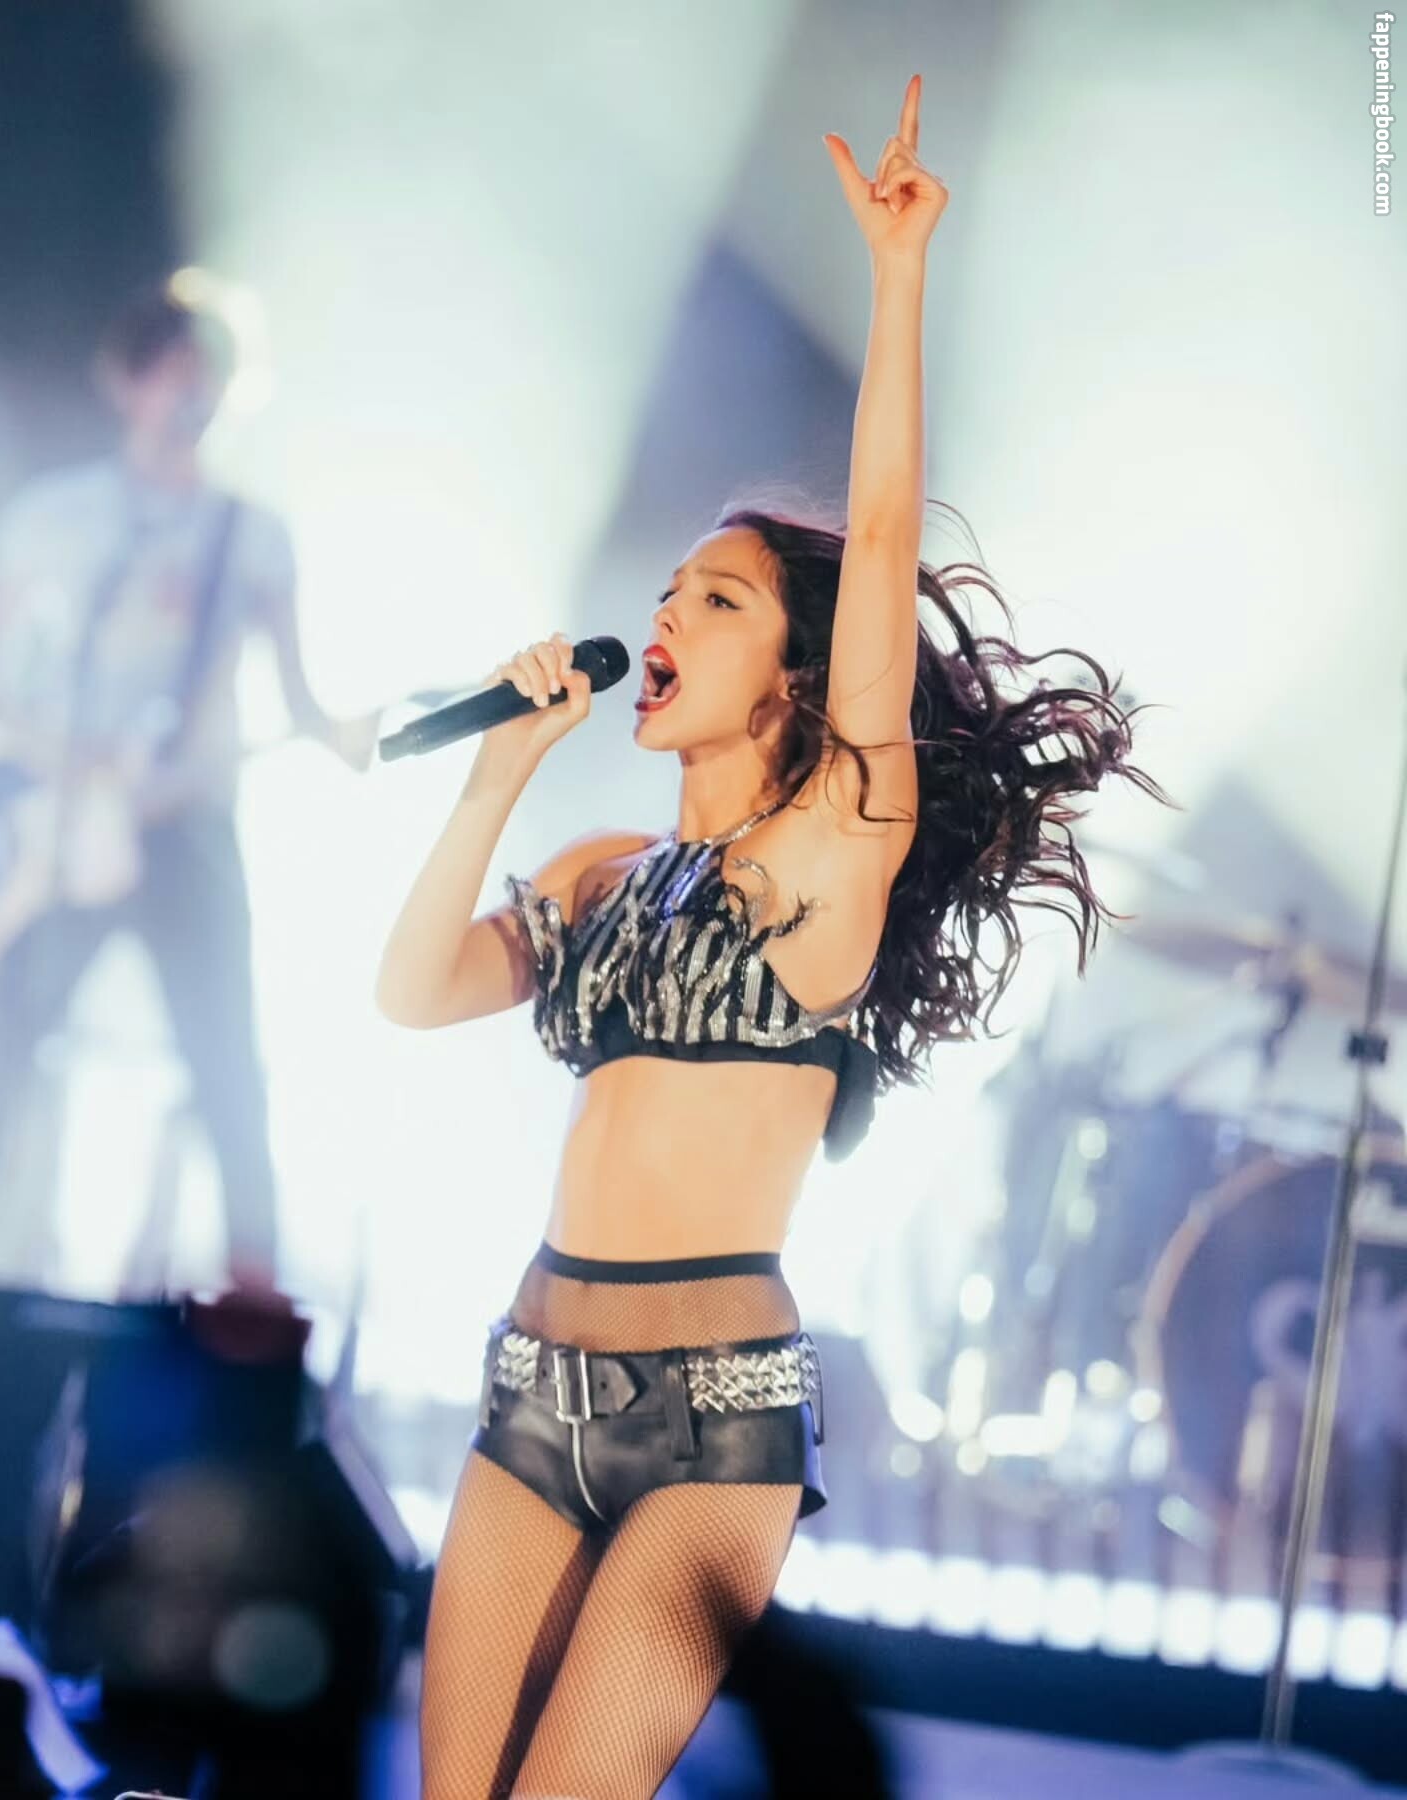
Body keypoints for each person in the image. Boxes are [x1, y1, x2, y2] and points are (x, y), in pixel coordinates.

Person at [378, 78, 1165, 1800]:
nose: (665, 614)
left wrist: (897, 278)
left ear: (798, 678)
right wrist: (498, 776)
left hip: (711, 1416)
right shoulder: (599, 870)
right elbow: (413, 989)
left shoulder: (832, 846)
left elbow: (877, 543)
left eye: (716, 601)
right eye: (667, 592)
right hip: (529, 1385)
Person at [0, 282, 378, 1292]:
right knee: (2, 1047)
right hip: (64, 826)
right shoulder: (55, 517)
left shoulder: (252, 535)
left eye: (208, 375)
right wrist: (62, 761)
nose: (189, 393)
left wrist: (340, 732)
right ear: (127, 379)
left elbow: (297, 695)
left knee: (226, 1056)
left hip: (186, 824)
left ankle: (255, 1294)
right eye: (171, 370)